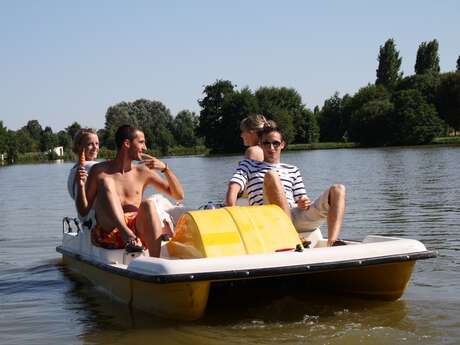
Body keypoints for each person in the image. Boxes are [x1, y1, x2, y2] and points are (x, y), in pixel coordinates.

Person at [226, 126, 346, 247]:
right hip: (267, 216)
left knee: (338, 189)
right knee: (272, 176)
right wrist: (232, 209)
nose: (271, 147)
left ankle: (333, 242)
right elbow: (234, 186)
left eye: (275, 143)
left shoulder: (292, 169)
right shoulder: (249, 165)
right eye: (266, 143)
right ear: (260, 145)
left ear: (282, 145)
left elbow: (301, 199)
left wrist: (303, 202)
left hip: (294, 214)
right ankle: (292, 237)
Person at [75, 125, 184, 257]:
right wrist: (81, 186)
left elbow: (178, 195)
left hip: (136, 232)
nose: (145, 148)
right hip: (109, 231)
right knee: (106, 182)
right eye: (141, 142)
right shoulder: (99, 170)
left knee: (148, 204)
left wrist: (165, 169)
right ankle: (124, 232)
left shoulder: (143, 171)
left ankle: (155, 263)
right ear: (127, 143)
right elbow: (83, 211)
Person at [67, 128, 100, 226]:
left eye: (97, 143)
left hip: (86, 227)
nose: (95, 147)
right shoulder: (92, 167)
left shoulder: (73, 170)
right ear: (79, 146)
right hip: (97, 228)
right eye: (90, 144)